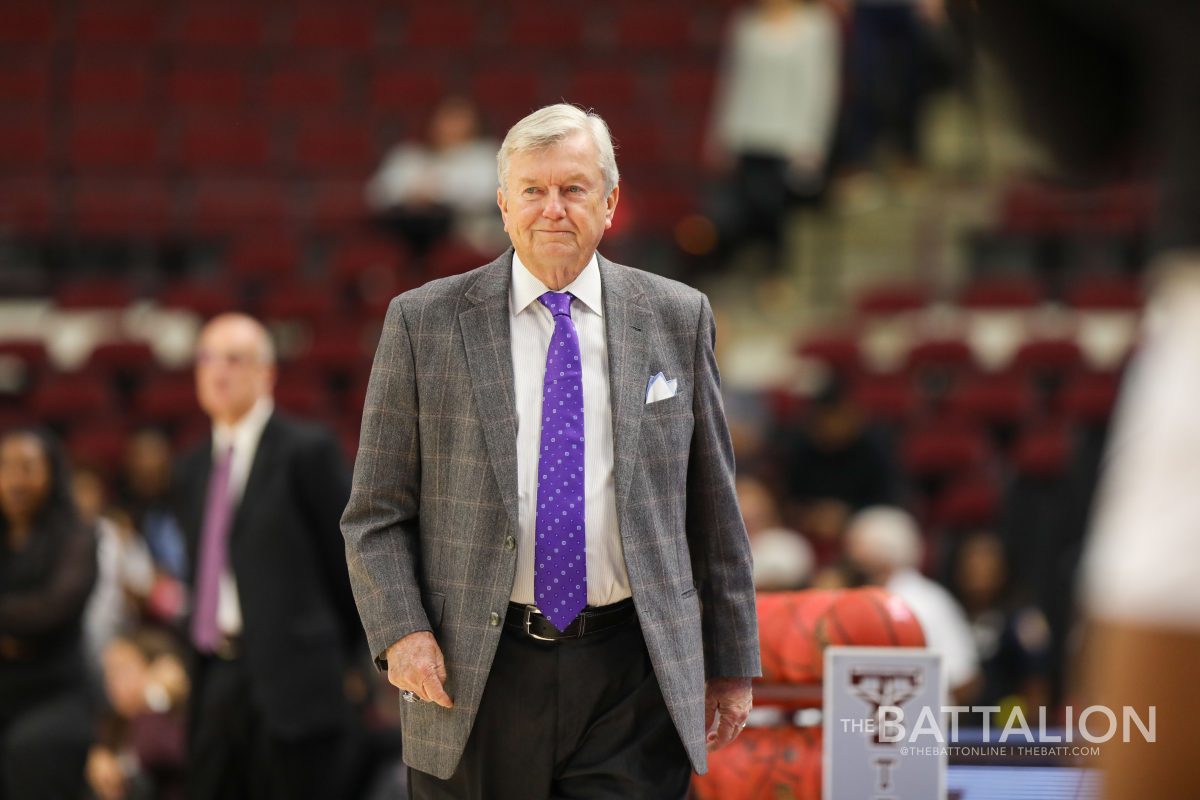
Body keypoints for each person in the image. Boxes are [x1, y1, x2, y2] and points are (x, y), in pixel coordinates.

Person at [342, 103, 761, 798]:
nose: (553, 209)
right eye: (533, 191)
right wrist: (402, 632)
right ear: (503, 205)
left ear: (611, 200)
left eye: (573, 188)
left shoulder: (677, 315)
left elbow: (713, 507)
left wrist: (731, 659)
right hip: (473, 670)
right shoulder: (423, 322)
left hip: (634, 670)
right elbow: (375, 515)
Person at [174, 313, 364, 800]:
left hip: (296, 680)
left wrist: (352, 662)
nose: (218, 371)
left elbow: (349, 563)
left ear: (266, 373)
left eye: (234, 360)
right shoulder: (193, 465)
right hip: (216, 670)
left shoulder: (308, 450)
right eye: (207, 359)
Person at [0, 427, 97, 799]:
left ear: (52, 473)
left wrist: (22, 626)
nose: (15, 479)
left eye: (27, 467)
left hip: (56, 694)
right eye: (6, 467)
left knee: (31, 750)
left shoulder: (78, 536)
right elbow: (35, 612)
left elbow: (53, 610)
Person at [706, 0, 840, 270]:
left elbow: (821, 86)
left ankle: (778, 276)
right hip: (750, 135)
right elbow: (734, 83)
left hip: (790, 140)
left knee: (779, 214)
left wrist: (812, 142)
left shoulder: (816, 26)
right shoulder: (745, 25)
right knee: (745, 211)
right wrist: (721, 135)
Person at [844, 506, 981, 703]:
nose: (851, 556)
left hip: (920, 720)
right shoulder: (863, 598)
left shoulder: (926, 600)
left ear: (882, 551)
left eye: (858, 545)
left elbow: (963, 675)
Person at [367, 96, 504, 261]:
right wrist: (416, 195)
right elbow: (376, 193)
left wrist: (436, 191)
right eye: (447, 119)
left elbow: (487, 190)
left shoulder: (486, 155)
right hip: (406, 232)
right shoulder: (408, 156)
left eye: (460, 120)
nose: (452, 127)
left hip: (462, 228)